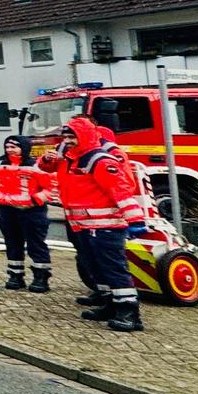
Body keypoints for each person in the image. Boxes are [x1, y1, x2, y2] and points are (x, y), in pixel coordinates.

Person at [40, 115, 147, 332]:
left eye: (73, 136)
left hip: (105, 226)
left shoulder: (100, 161)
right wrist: (48, 160)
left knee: (114, 268)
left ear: (85, 136)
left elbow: (121, 192)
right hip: (84, 226)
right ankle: (109, 304)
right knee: (96, 267)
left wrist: (135, 220)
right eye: (66, 136)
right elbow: (46, 169)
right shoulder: (71, 158)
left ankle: (129, 312)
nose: (68, 141)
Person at [0, 135, 54, 291]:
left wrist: (36, 199)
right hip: (7, 211)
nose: (10, 150)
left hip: (32, 212)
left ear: (24, 148)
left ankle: (41, 277)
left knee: (36, 245)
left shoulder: (36, 166)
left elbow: (50, 187)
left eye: (14, 147)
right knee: (12, 245)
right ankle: (15, 276)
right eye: (7, 147)